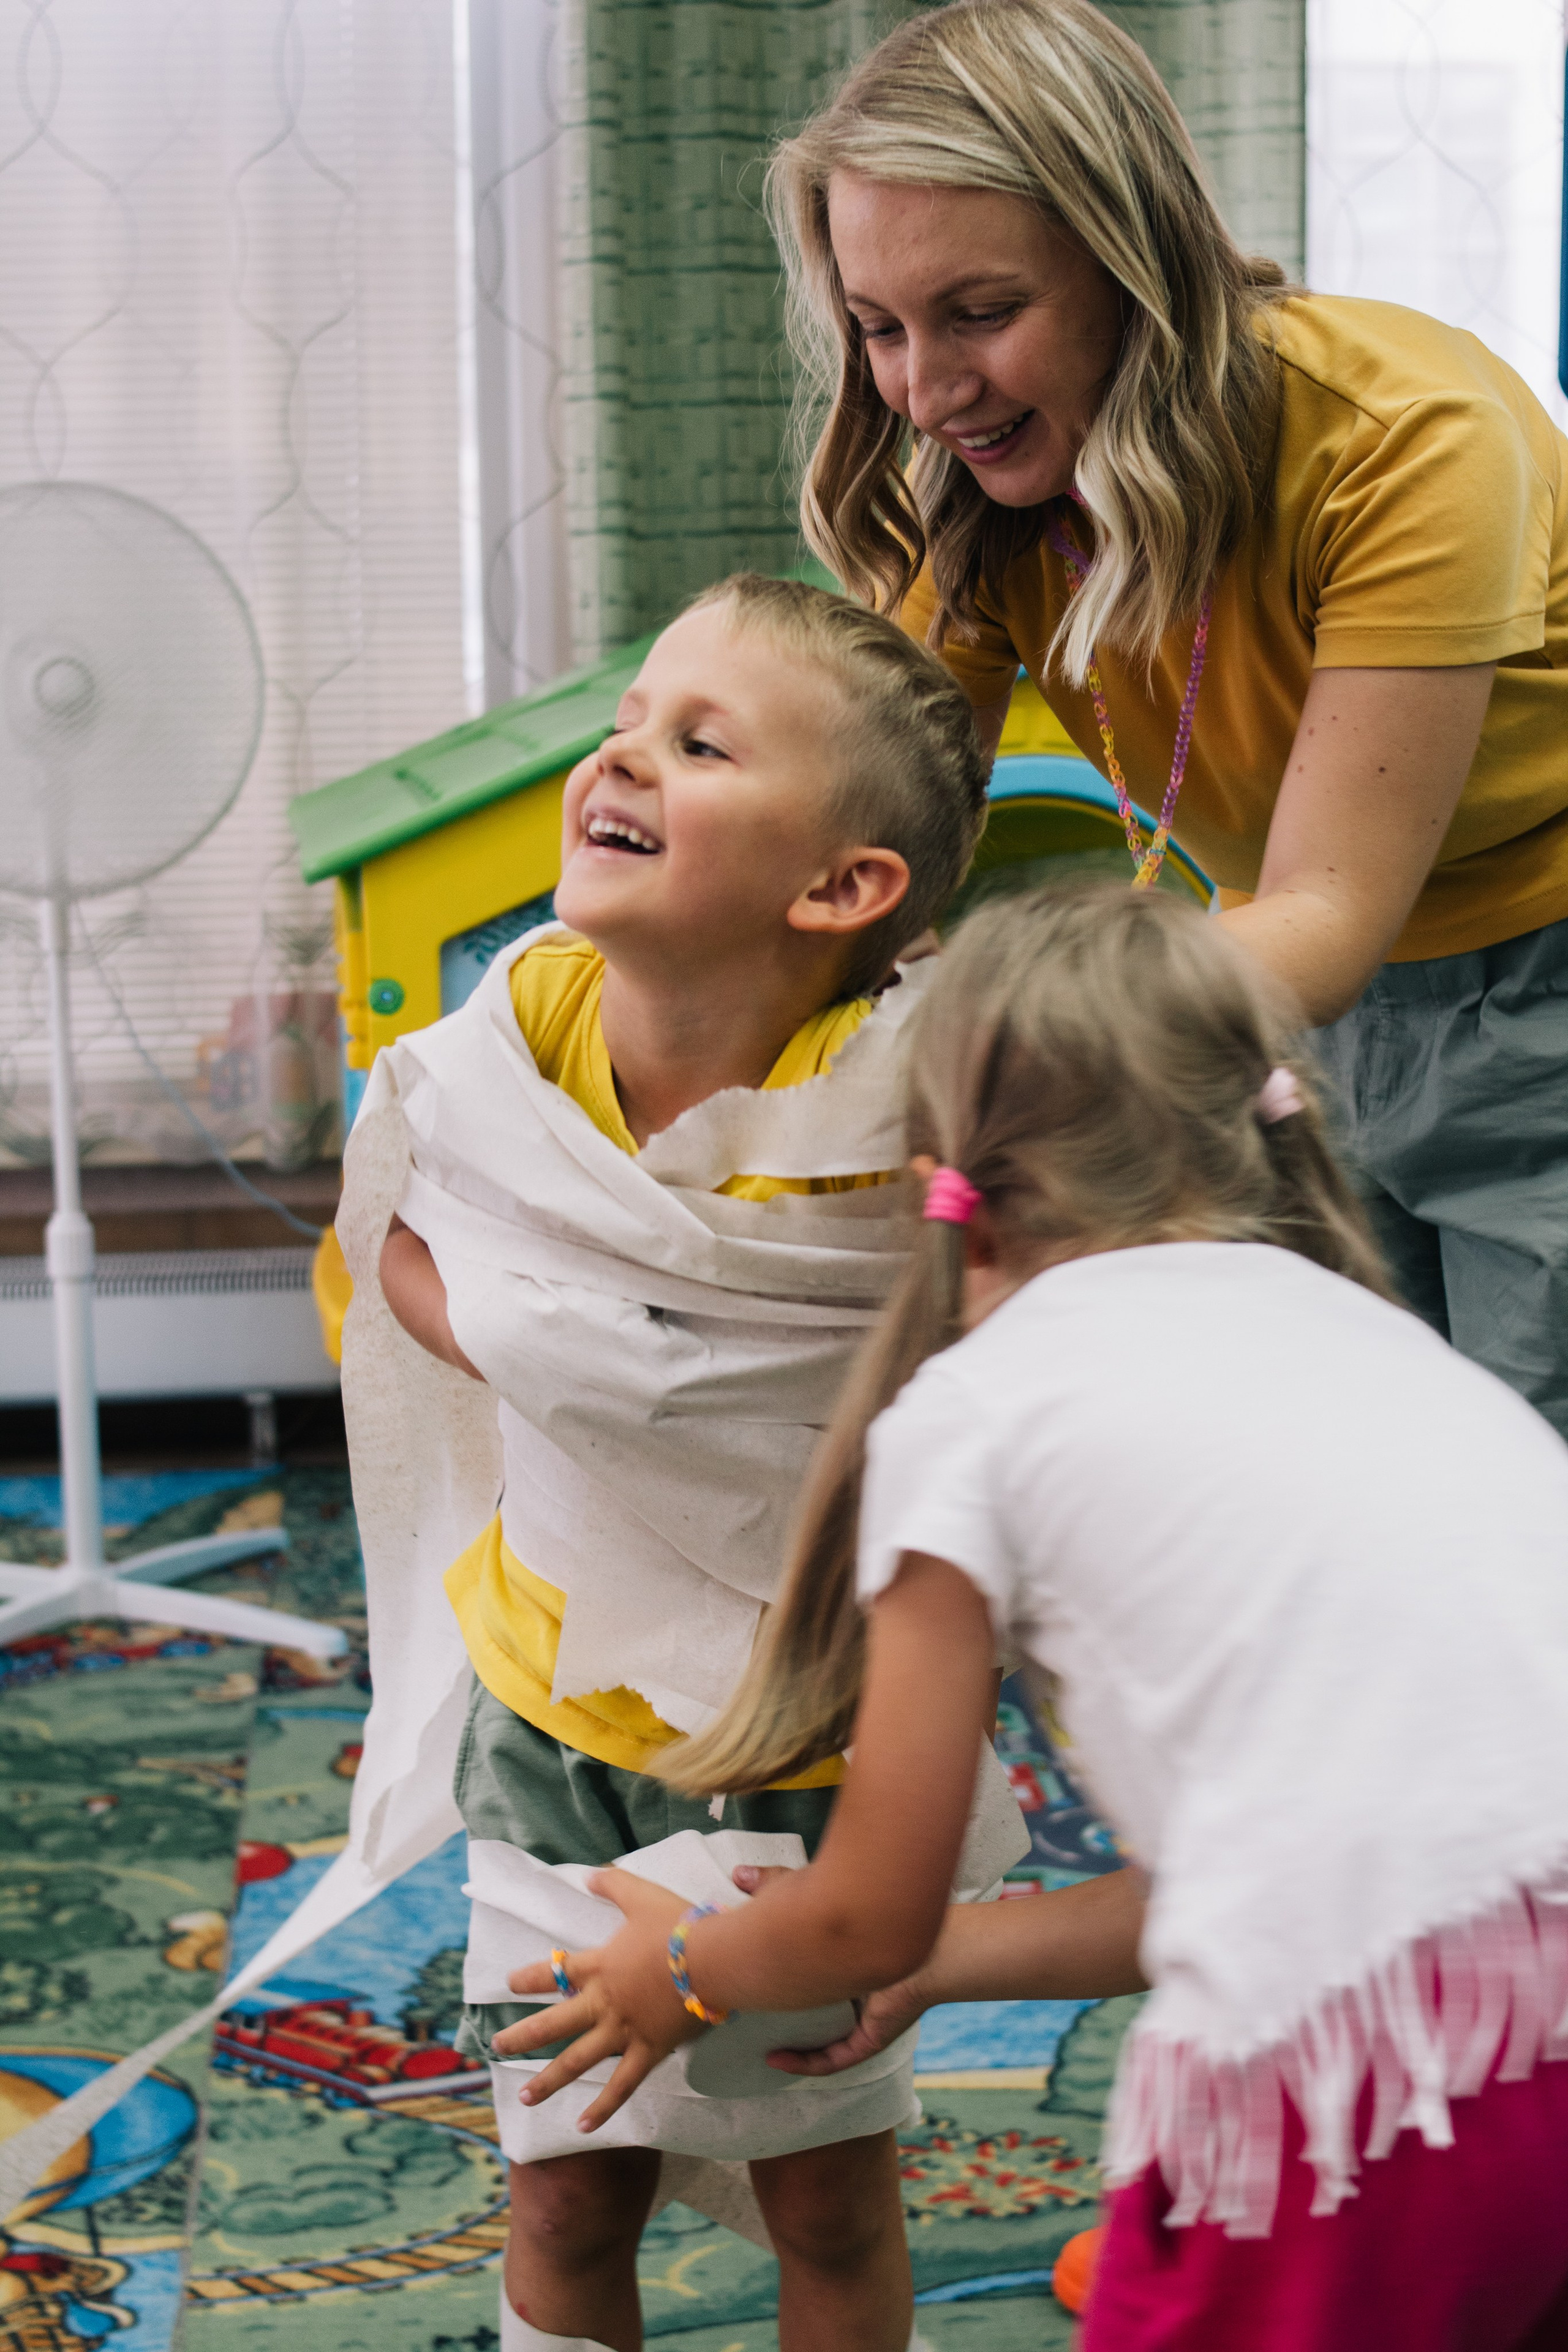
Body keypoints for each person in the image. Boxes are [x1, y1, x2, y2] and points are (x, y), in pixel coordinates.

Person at [497, 887, 1568, 2352]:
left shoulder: (973, 1413)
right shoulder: (1388, 1353)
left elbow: (865, 1897)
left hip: (1356, 2094)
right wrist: (929, 1962)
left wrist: (679, 1973)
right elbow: (1278, 1874)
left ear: (942, 1181)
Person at [764, 0, 1568, 1438]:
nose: (927, 392)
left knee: (1517, 1512)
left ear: (1135, 261)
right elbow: (856, 842)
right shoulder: (983, 494)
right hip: (1301, 1011)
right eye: (878, 329)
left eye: (981, 314)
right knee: (1337, 1477)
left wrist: (988, 1032)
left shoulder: (1407, 437)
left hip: (1533, 999)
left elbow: (1325, 908)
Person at [375, 573, 1017, 2352]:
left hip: (811, 1753)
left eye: (697, 740)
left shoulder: (906, 1111)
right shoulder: (521, 1034)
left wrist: (576, 1353)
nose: (620, 754)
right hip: (559, 1720)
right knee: (570, 2183)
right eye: (628, 721)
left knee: (825, 2195)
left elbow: (995, 1345)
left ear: (842, 888)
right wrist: (546, 1346)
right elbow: (403, 1246)